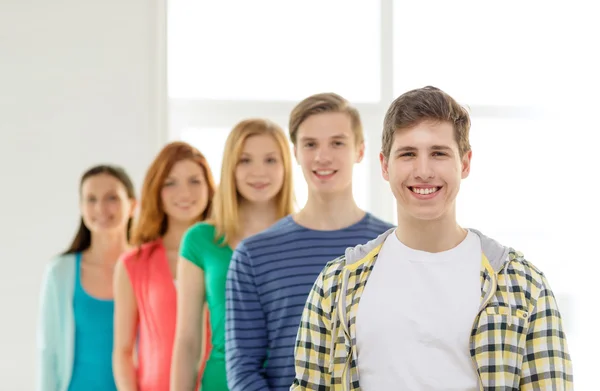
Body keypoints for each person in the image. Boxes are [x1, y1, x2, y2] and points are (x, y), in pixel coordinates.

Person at [291, 86, 574, 390]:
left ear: (464, 163)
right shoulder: (336, 283)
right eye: (408, 154)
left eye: (438, 153)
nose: (423, 171)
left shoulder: (523, 284)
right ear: (385, 166)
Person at [225, 93, 395, 391]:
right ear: (296, 153)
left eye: (337, 143)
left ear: (360, 150)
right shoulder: (253, 255)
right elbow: (243, 368)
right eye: (310, 144)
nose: (322, 156)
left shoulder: (394, 247)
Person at [170, 118, 295, 391]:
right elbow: (187, 340)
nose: (258, 172)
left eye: (271, 160)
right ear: (230, 168)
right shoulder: (200, 240)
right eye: (245, 160)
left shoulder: (305, 236)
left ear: (286, 166)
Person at [112, 142, 216, 391]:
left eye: (194, 181)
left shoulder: (227, 255)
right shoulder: (133, 263)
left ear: (210, 189)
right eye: (171, 183)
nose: (184, 193)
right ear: (156, 189)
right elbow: (123, 352)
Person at [36, 165, 137, 391]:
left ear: (132, 206)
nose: (101, 208)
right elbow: (48, 351)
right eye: (91, 199)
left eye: (112, 198)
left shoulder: (146, 268)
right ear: (81, 207)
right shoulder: (60, 272)